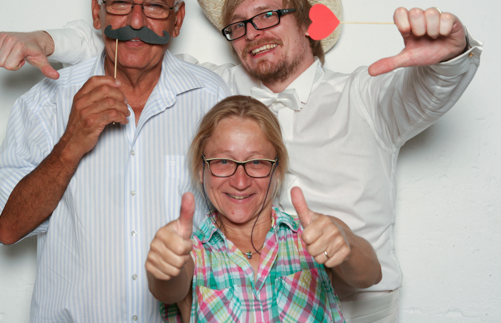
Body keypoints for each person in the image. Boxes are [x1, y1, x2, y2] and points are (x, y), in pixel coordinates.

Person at [0, 0, 482, 322]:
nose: (253, 32)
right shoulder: (214, 90)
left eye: (268, 15)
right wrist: (47, 41)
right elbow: (133, 34)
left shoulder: (366, 96)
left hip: (356, 305)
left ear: (311, 22)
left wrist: (450, 55)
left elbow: (429, 92)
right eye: (238, 25)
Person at [0, 0, 231, 322]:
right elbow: (8, 228)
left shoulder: (213, 101)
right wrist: (70, 143)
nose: (135, 20)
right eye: (120, 2)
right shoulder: (47, 101)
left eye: (155, 5)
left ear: (177, 20)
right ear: (97, 12)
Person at [146, 95, 381, 322]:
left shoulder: (312, 235)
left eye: (257, 162)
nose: (240, 182)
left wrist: (347, 244)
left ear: (277, 171)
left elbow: (370, 275)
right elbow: (168, 289)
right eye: (224, 162)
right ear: (201, 169)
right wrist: (165, 268)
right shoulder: (191, 253)